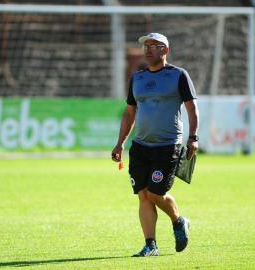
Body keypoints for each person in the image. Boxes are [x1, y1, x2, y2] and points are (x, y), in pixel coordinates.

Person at [111, 33, 199, 257]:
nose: (148, 50)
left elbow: (191, 109)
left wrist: (193, 138)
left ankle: (179, 221)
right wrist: (120, 143)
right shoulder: (137, 78)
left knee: (155, 193)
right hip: (140, 146)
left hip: (167, 145)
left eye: (154, 46)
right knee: (142, 195)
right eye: (145, 46)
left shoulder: (179, 75)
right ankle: (150, 245)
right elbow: (129, 112)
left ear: (165, 50)